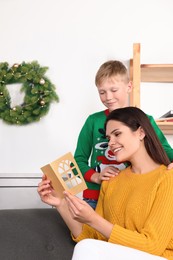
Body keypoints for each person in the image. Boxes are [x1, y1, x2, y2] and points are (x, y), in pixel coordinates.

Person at [38, 107, 173, 260]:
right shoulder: (111, 181)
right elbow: (92, 239)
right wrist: (60, 203)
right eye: (108, 138)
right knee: (85, 246)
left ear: (141, 133)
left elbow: (152, 246)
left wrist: (94, 219)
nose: (111, 143)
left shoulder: (168, 178)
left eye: (117, 134)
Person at [74, 60, 173, 209]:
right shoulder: (93, 121)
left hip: (130, 194)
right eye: (102, 92)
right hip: (95, 196)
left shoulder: (144, 120)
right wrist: (96, 177)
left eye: (114, 90)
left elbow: (163, 149)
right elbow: (78, 159)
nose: (108, 97)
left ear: (129, 87)